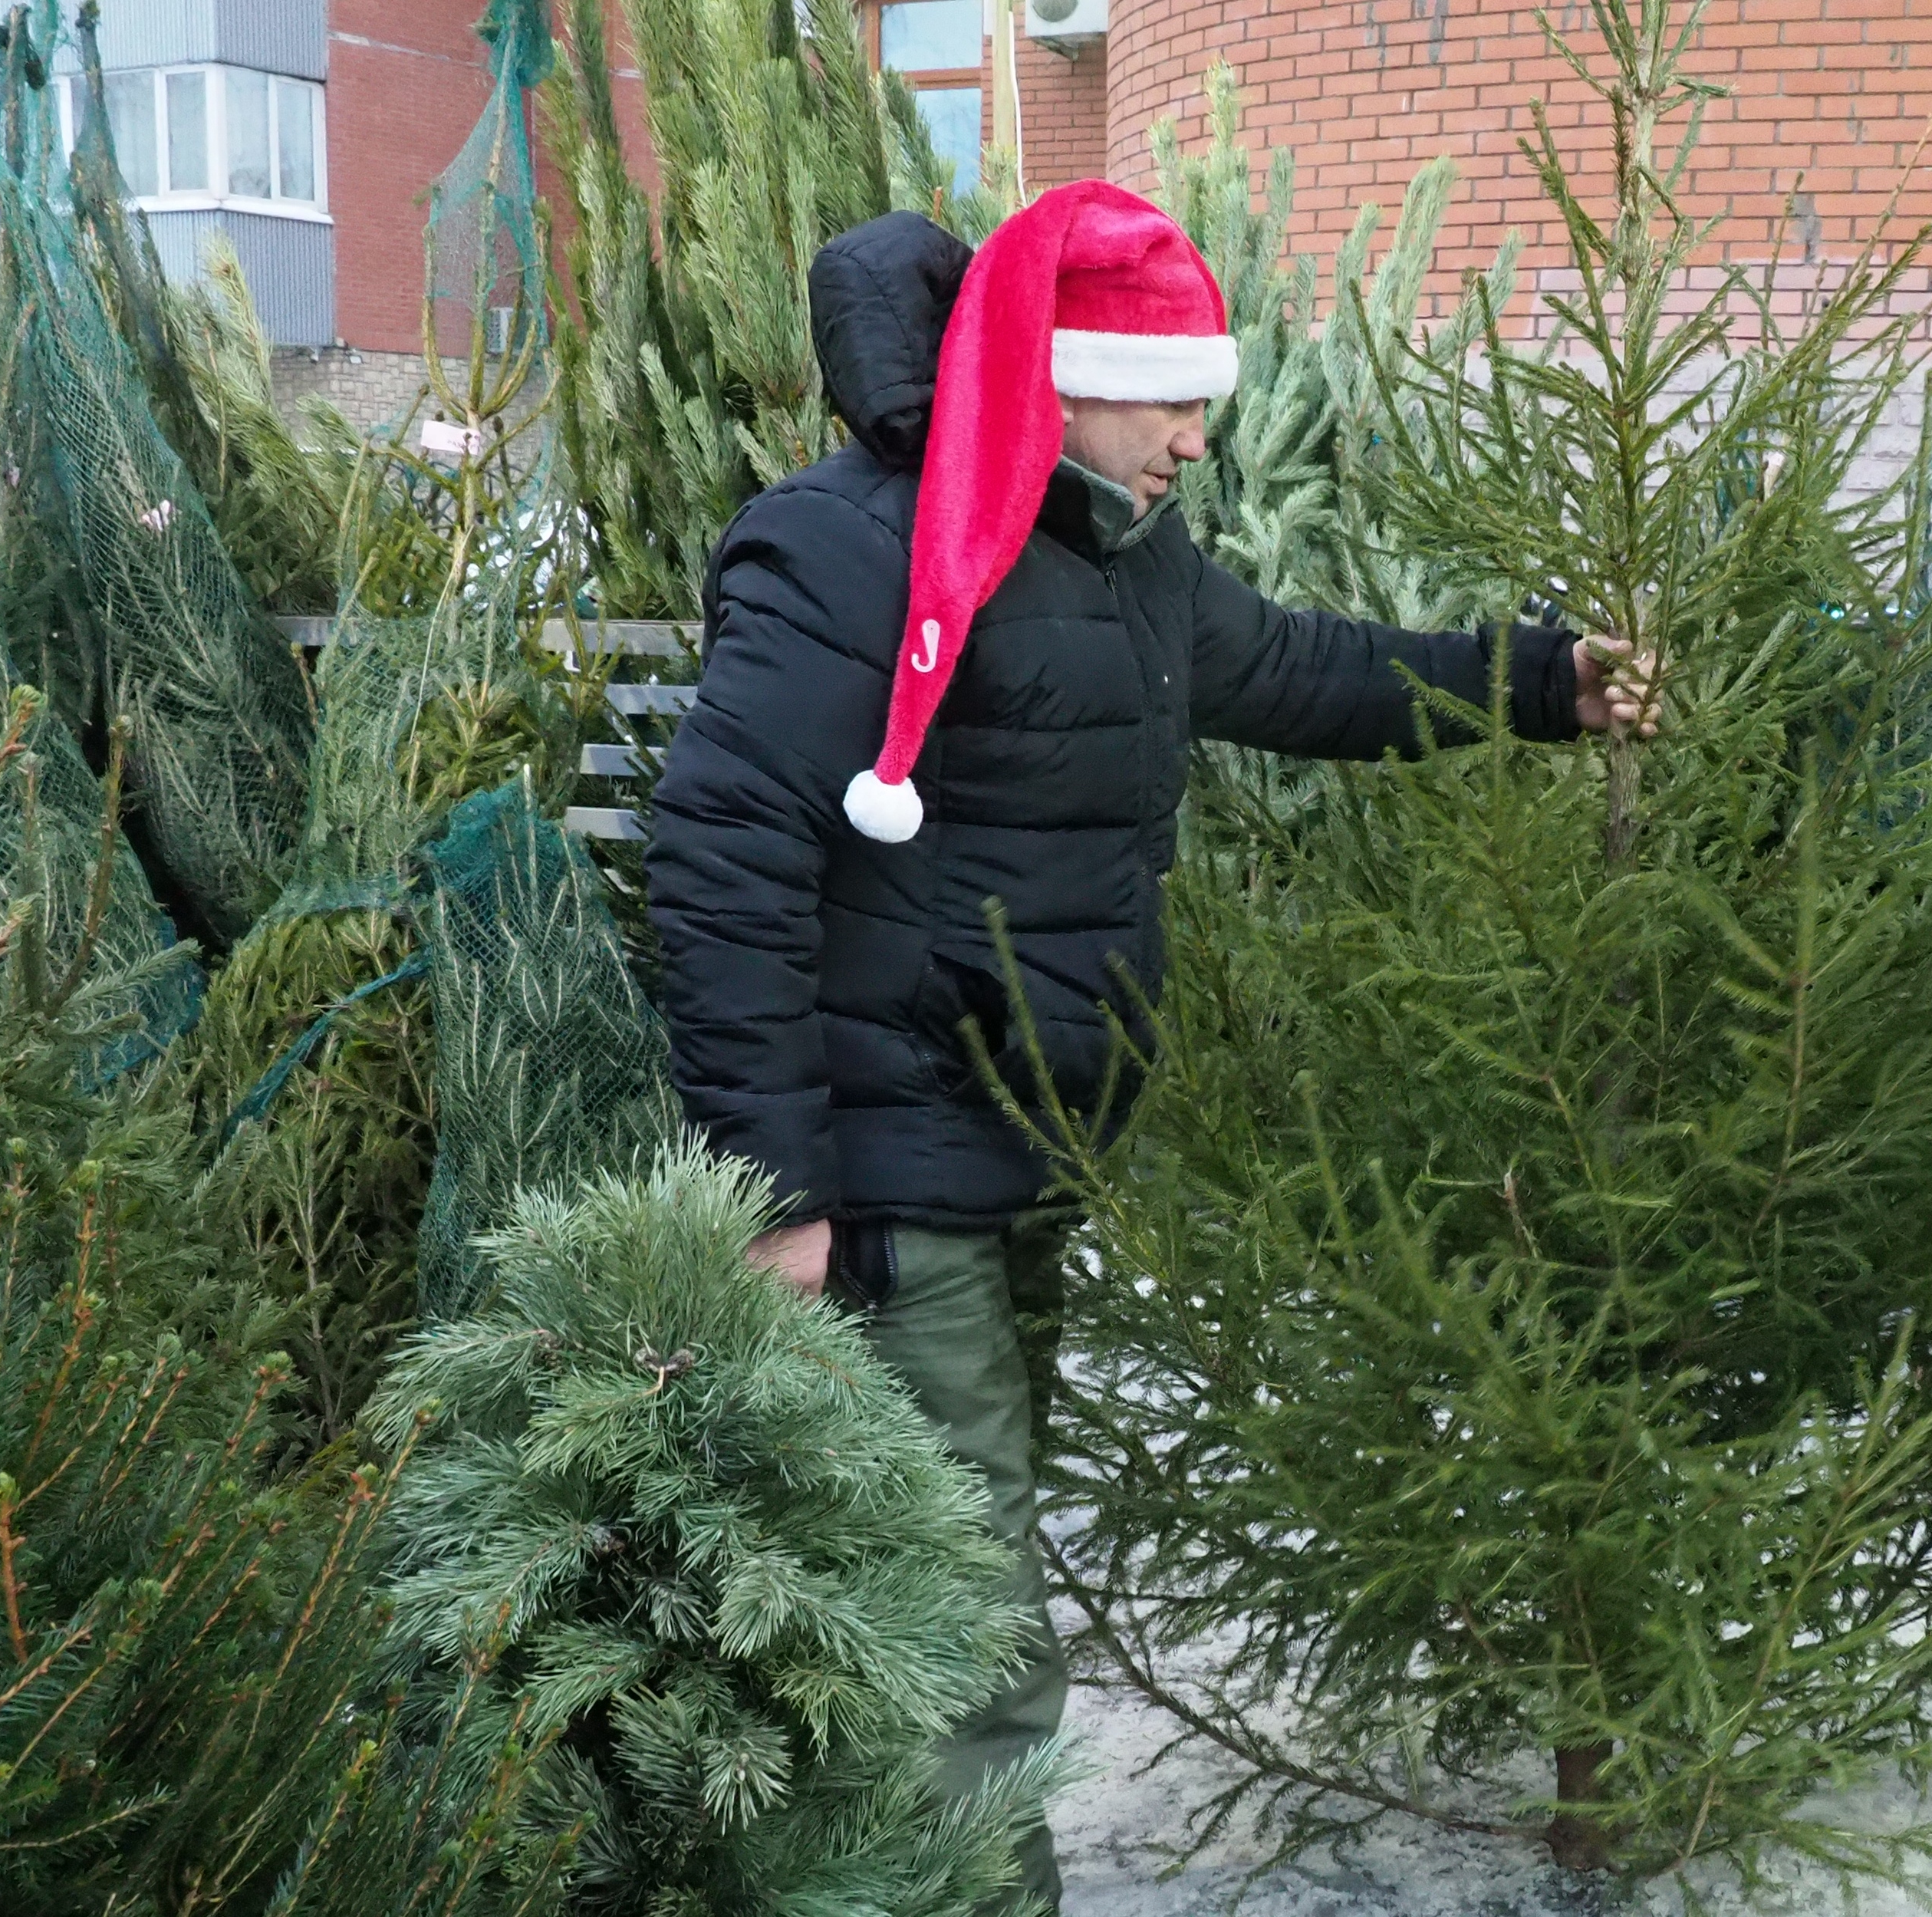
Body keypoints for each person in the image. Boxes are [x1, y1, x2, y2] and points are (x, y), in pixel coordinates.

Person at [642, 181, 1654, 1908]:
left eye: (1202, 398)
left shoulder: (1123, 558)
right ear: (1058, 373)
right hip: (890, 1180)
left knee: (956, 1582)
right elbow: (720, 853)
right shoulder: (849, 544)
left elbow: (1309, 672)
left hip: (1016, 1146)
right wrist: (774, 1187)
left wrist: (1537, 682)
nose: (1194, 436)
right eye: (1166, 396)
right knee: (963, 1629)